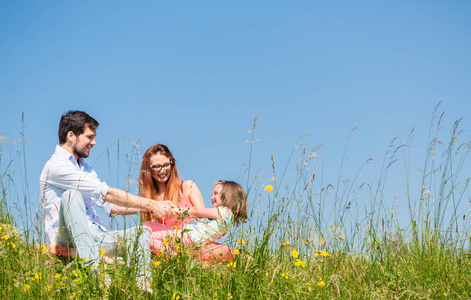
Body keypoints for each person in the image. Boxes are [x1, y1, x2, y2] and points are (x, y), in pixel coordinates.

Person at [40, 110, 171, 292]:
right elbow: (106, 193)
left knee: (142, 233)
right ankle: (98, 276)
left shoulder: (85, 169)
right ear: (71, 136)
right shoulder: (56, 167)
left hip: (97, 236)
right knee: (71, 196)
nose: (94, 142)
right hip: (67, 239)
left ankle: (143, 289)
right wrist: (151, 203)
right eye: (89, 137)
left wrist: (152, 207)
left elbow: (111, 206)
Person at [139, 144, 238, 261]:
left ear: (172, 163)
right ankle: (176, 259)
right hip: (165, 244)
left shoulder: (187, 187)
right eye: (156, 167)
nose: (162, 170)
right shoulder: (149, 200)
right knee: (144, 233)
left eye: (166, 165)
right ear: (148, 169)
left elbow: (203, 218)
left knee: (229, 253)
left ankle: (182, 260)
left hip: (193, 243)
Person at [143, 181, 248, 254]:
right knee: (147, 225)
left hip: (189, 238)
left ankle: (170, 254)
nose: (212, 197)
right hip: (185, 234)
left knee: (148, 238)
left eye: (216, 194)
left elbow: (197, 211)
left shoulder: (224, 212)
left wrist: (175, 210)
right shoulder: (223, 215)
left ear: (229, 196)